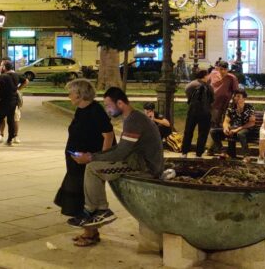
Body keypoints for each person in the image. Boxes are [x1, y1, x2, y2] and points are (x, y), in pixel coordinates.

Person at [69, 87, 164, 233]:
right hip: (137, 161)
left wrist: (91, 157)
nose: (107, 110)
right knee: (94, 165)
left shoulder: (134, 120)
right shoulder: (132, 118)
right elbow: (121, 148)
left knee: (92, 168)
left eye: (108, 105)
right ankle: (97, 210)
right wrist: (95, 155)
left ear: (120, 103)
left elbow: (121, 152)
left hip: (144, 167)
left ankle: (97, 210)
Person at [54, 79, 115, 247]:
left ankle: (89, 234)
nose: (69, 96)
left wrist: (99, 158)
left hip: (88, 163)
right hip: (76, 164)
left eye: (71, 93)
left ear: (80, 94)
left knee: (86, 197)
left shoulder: (95, 110)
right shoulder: (81, 110)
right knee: (79, 196)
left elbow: (108, 135)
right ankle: (90, 231)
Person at [182, 68, 214, 158]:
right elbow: (212, 99)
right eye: (208, 74)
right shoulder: (209, 87)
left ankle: (184, 152)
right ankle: (199, 154)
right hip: (205, 112)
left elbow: (187, 92)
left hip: (193, 111)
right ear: (205, 76)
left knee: (188, 132)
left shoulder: (192, 84)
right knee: (203, 133)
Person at [209, 60, 239, 155]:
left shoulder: (231, 78)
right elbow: (207, 85)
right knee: (213, 126)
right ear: (217, 68)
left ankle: (214, 148)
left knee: (221, 127)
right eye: (220, 69)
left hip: (224, 105)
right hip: (213, 105)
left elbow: (236, 91)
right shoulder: (213, 74)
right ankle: (214, 148)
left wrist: (234, 104)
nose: (222, 72)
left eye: (224, 70)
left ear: (227, 70)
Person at [0, 60, 23, 147]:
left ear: (4, 67)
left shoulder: (2, 76)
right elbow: (25, 81)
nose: (0, 67)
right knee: (11, 120)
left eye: (1, 66)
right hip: (13, 101)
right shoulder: (16, 75)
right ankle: (10, 140)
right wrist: (18, 88)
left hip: (4, 101)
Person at [222, 90, 256, 160]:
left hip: (246, 128)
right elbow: (226, 121)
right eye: (235, 96)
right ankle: (224, 152)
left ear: (244, 98)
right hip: (233, 128)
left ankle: (246, 156)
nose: (235, 98)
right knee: (214, 132)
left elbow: (252, 122)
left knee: (240, 134)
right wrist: (225, 127)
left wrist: (237, 129)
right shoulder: (231, 108)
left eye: (238, 96)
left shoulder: (249, 108)